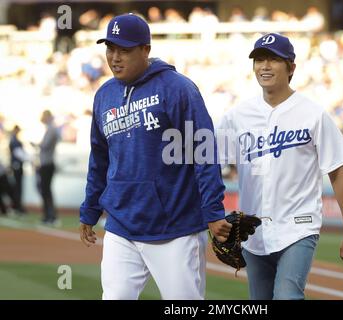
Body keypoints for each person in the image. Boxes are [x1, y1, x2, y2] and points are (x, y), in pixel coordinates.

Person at [79, 13, 231, 300]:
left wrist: (212, 211)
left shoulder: (177, 88)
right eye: (110, 49)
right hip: (121, 225)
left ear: (145, 50)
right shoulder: (104, 95)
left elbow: (203, 151)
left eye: (124, 49)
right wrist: (90, 208)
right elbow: (99, 158)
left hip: (175, 226)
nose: (115, 57)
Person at [217, 33, 343, 300]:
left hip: (299, 226)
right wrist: (212, 216)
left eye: (274, 59)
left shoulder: (313, 113)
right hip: (253, 231)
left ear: (291, 67)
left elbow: (337, 172)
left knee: (287, 295)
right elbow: (210, 167)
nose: (265, 66)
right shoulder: (236, 116)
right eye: (259, 59)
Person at [33, 110, 60, 224]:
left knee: (45, 190)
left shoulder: (51, 129)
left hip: (47, 164)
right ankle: (49, 215)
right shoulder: (51, 129)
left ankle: (50, 216)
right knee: (45, 190)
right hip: (46, 163)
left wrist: (36, 145)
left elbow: (45, 145)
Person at [9, 125, 29, 213]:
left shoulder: (15, 140)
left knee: (17, 187)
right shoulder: (14, 141)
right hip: (17, 166)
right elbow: (18, 154)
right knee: (18, 187)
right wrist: (29, 159)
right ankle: (17, 207)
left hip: (17, 165)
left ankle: (17, 206)